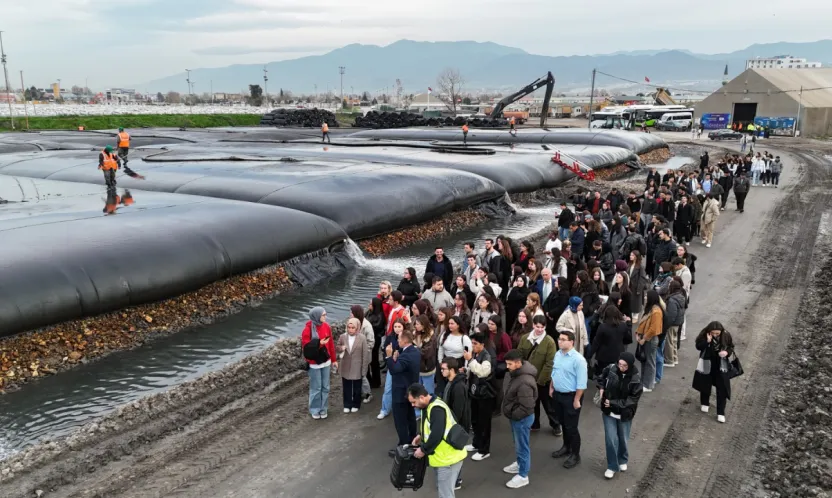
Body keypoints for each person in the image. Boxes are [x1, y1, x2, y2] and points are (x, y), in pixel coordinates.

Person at [407, 384, 467, 498]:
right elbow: (431, 426)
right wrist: (420, 435)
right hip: (443, 458)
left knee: (445, 495)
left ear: (421, 397)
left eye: (413, 402)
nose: (412, 405)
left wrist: (423, 450)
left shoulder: (436, 409)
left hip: (448, 460)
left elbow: (436, 434)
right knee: (444, 492)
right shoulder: (429, 405)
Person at [597, 352, 643, 479]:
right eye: (619, 364)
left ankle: (622, 459)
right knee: (611, 439)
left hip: (624, 414)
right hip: (608, 412)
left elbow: (632, 400)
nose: (621, 367)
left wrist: (612, 402)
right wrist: (601, 388)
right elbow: (601, 378)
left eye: (624, 365)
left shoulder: (636, 379)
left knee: (623, 439)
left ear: (630, 365)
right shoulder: (611, 369)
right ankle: (612, 466)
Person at [549, 330, 588, 469]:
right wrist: (551, 387)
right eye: (559, 339)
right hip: (558, 395)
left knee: (571, 427)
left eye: (563, 339)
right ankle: (566, 447)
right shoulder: (558, 354)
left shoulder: (578, 360)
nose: (559, 341)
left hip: (571, 397)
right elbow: (555, 372)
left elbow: (582, 383)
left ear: (571, 342)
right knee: (563, 423)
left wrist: (577, 399)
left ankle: (575, 455)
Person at [501, 349, 538, 489]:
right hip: (518, 417)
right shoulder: (518, 374)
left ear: (518, 363)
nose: (507, 367)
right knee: (519, 444)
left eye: (509, 364)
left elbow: (527, 407)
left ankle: (523, 475)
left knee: (522, 447)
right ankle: (520, 464)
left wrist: (513, 415)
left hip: (521, 419)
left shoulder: (524, 382)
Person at [517, 315, 559, 434]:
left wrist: (540, 381)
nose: (540, 329)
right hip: (528, 379)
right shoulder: (525, 338)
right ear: (533, 325)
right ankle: (535, 423)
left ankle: (555, 424)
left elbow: (550, 363)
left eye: (542, 327)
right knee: (533, 404)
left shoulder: (549, 342)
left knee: (548, 405)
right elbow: (520, 355)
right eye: (537, 326)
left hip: (543, 381)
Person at [693, 321, 735, 423]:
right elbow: (698, 346)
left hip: (721, 365)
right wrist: (707, 341)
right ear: (709, 331)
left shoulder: (726, 335)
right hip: (707, 362)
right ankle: (704, 403)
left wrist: (726, 352)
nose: (715, 335)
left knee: (722, 387)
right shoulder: (704, 335)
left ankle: (721, 412)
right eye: (713, 333)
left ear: (721, 332)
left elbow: (731, 347)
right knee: (705, 383)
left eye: (717, 333)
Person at [462, 333, 495, 462]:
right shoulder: (475, 354)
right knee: (475, 420)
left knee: (484, 423)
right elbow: (473, 370)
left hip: (485, 394)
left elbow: (483, 372)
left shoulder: (486, 356)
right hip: (475, 392)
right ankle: (476, 443)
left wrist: (470, 360)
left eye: (475, 343)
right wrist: (466, 370)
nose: (473, 346)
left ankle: (484, 450)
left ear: (482, 344)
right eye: (472, 343)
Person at [387, 330, 421, 456]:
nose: (397, 341)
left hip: (400, 392)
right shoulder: (415, 351)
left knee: (400, 420)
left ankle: (404, 446)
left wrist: (389, 357)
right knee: (410, 417)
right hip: (410, 390)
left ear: (405, 340)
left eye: (399, 339)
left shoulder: (406, 355)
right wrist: (396, 358)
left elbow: (395, 370)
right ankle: (412, 440)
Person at [301, 307, 336, 419]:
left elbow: (331, 344)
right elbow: (307, 348)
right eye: (323, 315)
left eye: (325, 314)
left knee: (325, 387)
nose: (325, 317)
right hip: (314, 363)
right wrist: (320, 343)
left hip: (326, 361)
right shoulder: (307, 330)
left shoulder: (326, 326)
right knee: (316, 388)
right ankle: (315, 409)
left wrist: (334, 360)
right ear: (316, 316)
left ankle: (323, 408)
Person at [337, 318, 371, 413]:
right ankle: (347, 404)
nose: (350, 330)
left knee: (357, 387)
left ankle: (356, 404)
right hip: (346, 366)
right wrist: (341, 348)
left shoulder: (362, 338)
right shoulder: (343, 337)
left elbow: (365, 355)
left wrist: (364, 370)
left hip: (357, 366)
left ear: (357, 328)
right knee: (346, 387)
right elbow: (337, 347)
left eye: (353, 328)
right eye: (349, 327)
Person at [98, 145, 144, 213]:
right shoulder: (102, 154)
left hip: (112, 167)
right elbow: (101, 160)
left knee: (112, 177)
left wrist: (119, 164)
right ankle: (109, 185)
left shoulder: (112, 154)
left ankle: (112, 183)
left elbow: (117, 159)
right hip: (106, 167)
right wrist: (101, 164)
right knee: (107, 177)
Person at [592, 305, 631, 377]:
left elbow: (596, 342)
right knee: (616, 375)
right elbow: (628, 339)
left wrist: (590, 354)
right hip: (618, 354)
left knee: (603, 375)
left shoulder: (602, 327)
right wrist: (629, 324)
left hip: (603, 356)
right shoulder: (623, 326)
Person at [636, 291, 663, 392]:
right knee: (644, 360)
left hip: (650, 339)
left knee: (650, 362)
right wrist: (638, 334)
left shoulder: (656, 311)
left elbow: (654, 329)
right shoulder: (650, 309)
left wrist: (644, 338)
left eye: (647, 296)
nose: (645, 297)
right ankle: (644, 382)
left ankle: (648, 385)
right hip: (645, 338)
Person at [351, 305, 376, 403]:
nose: (350, 314)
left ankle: (368, 393)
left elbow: (371, 342)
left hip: (363, 356)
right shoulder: (352, 323)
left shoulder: (366, 326)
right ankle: (360, 392)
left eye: (351, 313)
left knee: (362, 375)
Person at [413, 315, 438, 413]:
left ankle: (430, 411)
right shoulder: (415, 334)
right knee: (417, 391)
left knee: (428, 392)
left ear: (424, 325)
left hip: (427, 368)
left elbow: (427, 353)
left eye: (418, 324)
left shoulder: (431, 336)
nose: (416, 326)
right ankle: (418, 412)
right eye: (415, 324)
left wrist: (414, 350)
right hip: (417, 367)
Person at [366, 297, 386, 390]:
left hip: (375, 340)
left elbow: (375, 327)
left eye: (370, 304)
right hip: (370, 339)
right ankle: (371, 380)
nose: (369, 305)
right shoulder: (369, 313)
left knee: (374, 361)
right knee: (370, 361)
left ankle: (376, 382)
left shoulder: (380, 316)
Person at [627, 251, 649, 321]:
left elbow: (642, 279)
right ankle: (631, 313)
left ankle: (636, 315)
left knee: (636, 301)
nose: (630, 256)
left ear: (636, 257)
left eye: (632, 255)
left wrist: (639, 289)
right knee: (631, 300)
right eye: (630, 255)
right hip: (629, 286)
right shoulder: (629, 264)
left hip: (636, 286)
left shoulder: (640, 267)